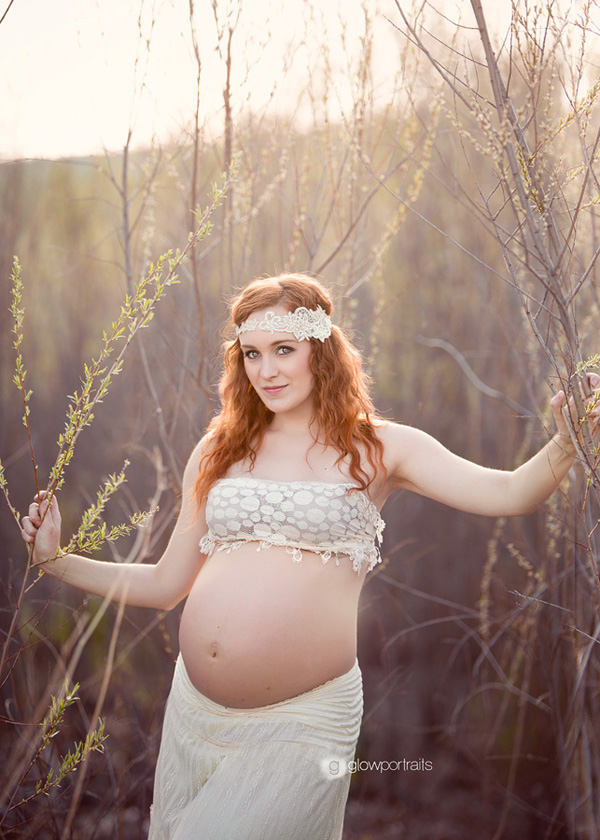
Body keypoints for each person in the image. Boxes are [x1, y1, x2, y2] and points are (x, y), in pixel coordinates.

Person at [20, 274, 599, 840]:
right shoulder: (220, 449)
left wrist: (568, 440)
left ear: (320, 349)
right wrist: (55, 561)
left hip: (302, 725)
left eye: (283, 350)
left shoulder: (381, 448)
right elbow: (166, 584)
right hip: (195, 716)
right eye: (251, 354)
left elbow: (511, 493)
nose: (266, 370)